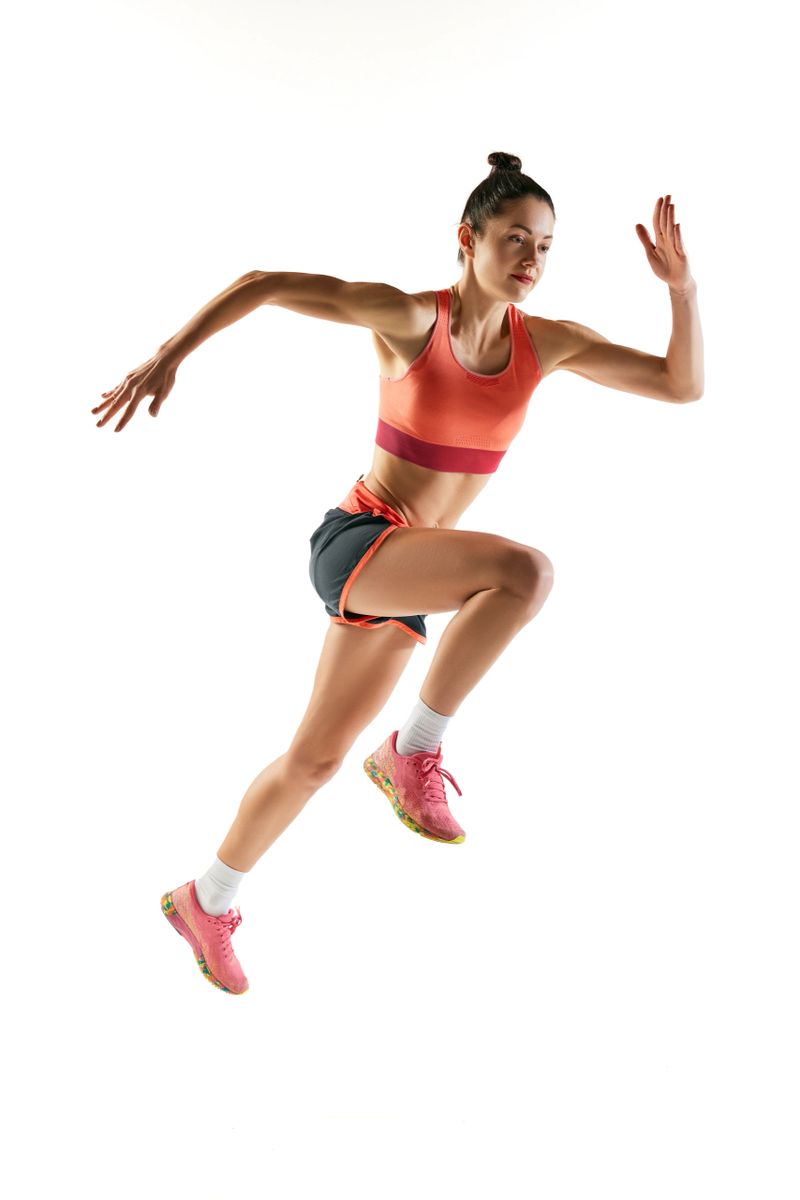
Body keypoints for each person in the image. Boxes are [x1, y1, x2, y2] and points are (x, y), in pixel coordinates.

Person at [92, 152, 703, 994]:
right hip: (360, 542)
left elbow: (681, 385)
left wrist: (680, 289)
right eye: (516, 239)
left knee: (311, 762)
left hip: (409, 581)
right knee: (522, 574)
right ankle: (414, 749)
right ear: (469, 238)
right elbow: (264, 281)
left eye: (547, 247)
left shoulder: (549, 345)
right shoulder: (413, 319)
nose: (531, 259)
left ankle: (207, 897)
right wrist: (168, 354)